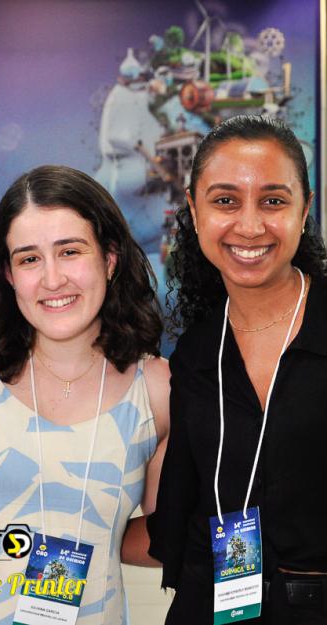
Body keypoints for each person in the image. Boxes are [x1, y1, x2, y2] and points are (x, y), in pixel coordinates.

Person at [0, 165, 169, 624]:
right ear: (8, 274)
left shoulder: (157, 388)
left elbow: (166, 536)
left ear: (110, 259)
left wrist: (97, 538)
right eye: (29, 259)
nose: (52, 279)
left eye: (70, 251)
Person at [148, 115, 327, 624]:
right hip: (212, 607)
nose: (249, 226)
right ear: (194, 210)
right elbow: (179, 513)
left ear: (304, 209)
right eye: (225, 200)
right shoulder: (195, 356)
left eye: (273, 201)